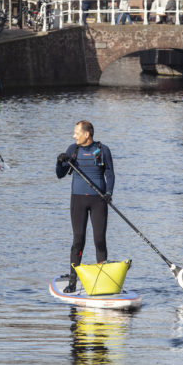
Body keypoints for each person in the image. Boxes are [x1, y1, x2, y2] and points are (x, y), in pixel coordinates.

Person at [55, 121, 115, 293]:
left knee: (99, 241)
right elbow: (60, 175)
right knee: (78, 241)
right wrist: (60, 162)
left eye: (76, 133)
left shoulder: (103, 150)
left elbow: (110, 174)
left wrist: (109, 193)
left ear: (87, 134)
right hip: (78, 200)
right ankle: (73, 282)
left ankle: (102, 281)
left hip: (99, 200)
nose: (74, 136)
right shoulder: (72, 150)